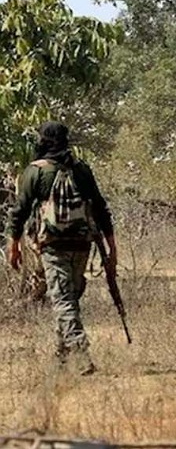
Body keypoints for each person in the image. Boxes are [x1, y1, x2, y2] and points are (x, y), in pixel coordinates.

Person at [6, 121, 116, 375]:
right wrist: (112, 249)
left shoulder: (35, 171)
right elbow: (100, 209)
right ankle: (62, 357)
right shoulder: (81, 170)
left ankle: (81, 355)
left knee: (63, 298)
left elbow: (19, 212)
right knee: (69, 297)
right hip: (81, 243)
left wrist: (14, 245)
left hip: (52, 245)